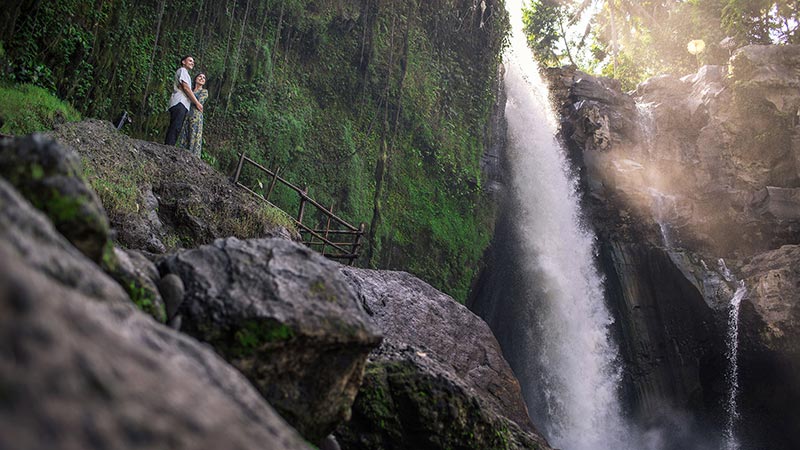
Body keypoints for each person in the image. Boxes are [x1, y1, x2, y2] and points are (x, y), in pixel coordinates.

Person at [164, 55, 203, 145]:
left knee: (176, 126)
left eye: (193, 61)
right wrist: (197, 103)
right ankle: (168, 147)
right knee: (175, 126)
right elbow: (186, 88)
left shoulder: (186, 74)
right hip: (180, 102)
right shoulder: (182, 71)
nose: (192, 63)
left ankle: (169, 146)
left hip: (182, 103)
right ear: (183, 62)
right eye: (190, 61)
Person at [178, 72, 208, 157]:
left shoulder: (204, 92)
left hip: (196, 116)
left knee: (194, 136)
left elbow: (199, 102)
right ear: (195, 79)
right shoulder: (190, 89)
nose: (202, 78)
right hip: (187, 113)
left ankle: (193, 157)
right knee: (185, 134)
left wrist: (190, 95)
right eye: (200, 76)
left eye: (204, 78)